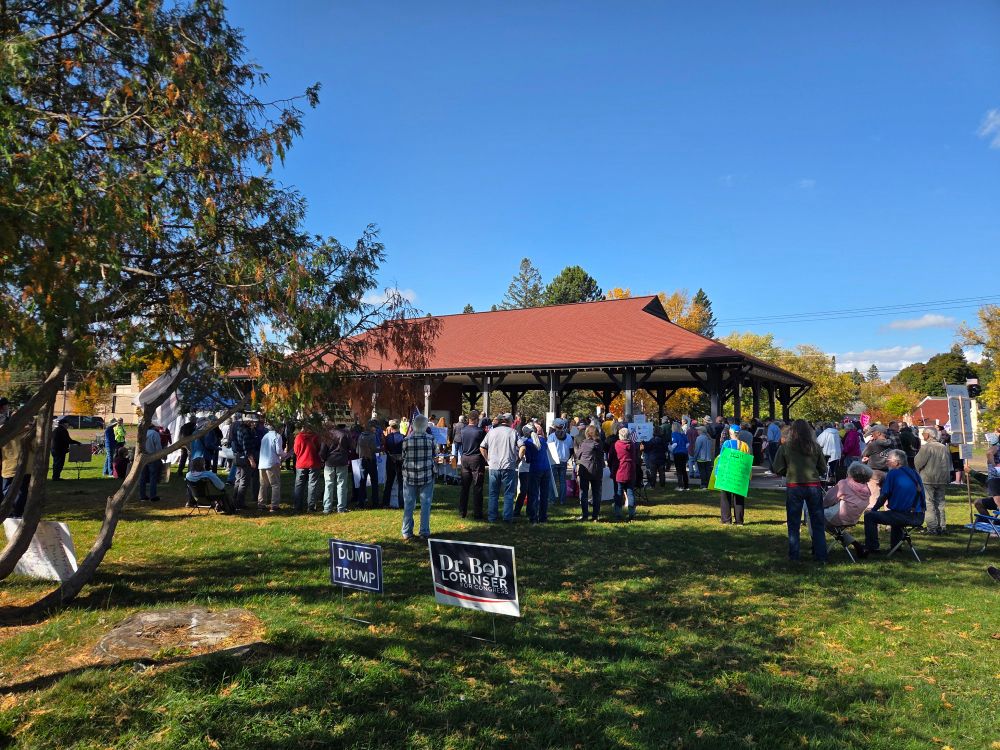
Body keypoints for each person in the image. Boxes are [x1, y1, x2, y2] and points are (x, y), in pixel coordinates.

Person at [772, 419, 828, 561]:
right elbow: (823, 468)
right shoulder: (815, 447)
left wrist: (788, 472)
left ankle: (794, 555)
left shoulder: (786, 447)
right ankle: (821, 555)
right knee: (817, 521)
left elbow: (777, 467)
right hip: (813, 485)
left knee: (793, 521)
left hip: (794, 485)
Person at [864, 449, 926, 554]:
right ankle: (896, 548)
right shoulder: (914, 473)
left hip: (905, 515)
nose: (886, 462)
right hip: (919, 516)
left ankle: (873, 547)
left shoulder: (893, 473)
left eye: (888, 460)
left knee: (869, 516)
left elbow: (884, 495)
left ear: (896, 462)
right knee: (894, 514)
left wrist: (873, 510)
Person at [822, 461, 873, 558]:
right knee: (833, 528)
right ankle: (857, 545)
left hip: (838, 516)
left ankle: (816, 545)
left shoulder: (845, 483)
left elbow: (829, 499)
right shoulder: (866, 489)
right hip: (852, 519)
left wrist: (821, 506)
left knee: (813, 516)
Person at [479, 413, 519, 523]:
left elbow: (482, 447)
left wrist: (488, 460)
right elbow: (522, 447)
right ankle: (507, 518)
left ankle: (492, 517)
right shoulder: (513, 432)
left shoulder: (491, 432)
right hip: (508, 466)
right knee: (509, 494)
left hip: (494, 466)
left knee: (493, 494)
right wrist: (518, 459)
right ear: (510, 421)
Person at [401, 414, 435, 542]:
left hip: (409, 475)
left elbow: (403, 456)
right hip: (426, 475)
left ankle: (406, 531)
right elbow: (434, 454)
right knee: (426, 504)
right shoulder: (431, 439)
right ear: (426, 426)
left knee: (409, 504)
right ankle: (424, 531)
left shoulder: (406, 440)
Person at [913, 427, 951, 535]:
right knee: (940, 503)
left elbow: (918, 462)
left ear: (928, 435)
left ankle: (932, 527)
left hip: (928, 478)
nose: (923, 436)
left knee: (929, 503)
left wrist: (917, 472)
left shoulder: (927, 447)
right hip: (942, 478)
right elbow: (949, 463)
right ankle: (941, 526)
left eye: (924, 434)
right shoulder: (943, 447)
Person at [518, 426, 551, 523]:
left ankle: (533, 518)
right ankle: (543, 517)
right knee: (544, 495)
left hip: (535, 469)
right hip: (546, 468)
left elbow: (528, 459)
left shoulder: (527, 442)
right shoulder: (542, 440)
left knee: (533, 494)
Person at [1, 421, 34, 517]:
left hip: (8, 466)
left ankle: (7, 512)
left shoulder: (5, 433)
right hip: (26, 466)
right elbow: (35, 446)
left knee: (7, 490)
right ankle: (17, 513)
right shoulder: (30, 433)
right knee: (22, 491)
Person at [321, 422, 353, 514]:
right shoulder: (345, 434)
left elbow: (323, 450)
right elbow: (351, 447)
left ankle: (327, 508)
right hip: (341, 461)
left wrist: (323, 459)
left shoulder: (327, 435)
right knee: (342, 484)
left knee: (328, 485)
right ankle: (341, 507)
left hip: (330, 461)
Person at [231, 417, 261, 510]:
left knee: (238, 480)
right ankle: (240, 503)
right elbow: (247, 448)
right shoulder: (246, 431)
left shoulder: (238, 428)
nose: (254, 423)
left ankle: (234, 500)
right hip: (245, 458)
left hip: (238, 456)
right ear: (248, 421)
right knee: (244, 481)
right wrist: (251, 460)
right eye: (252, 421)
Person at [576, 425, 605, 521]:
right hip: (597, 470)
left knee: (583, 493)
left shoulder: (584, 444)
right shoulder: (600, 444)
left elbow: (578, 455)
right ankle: (595, 516)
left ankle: (585, 515)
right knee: (596, 494)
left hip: (585, 470)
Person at [292, 424, 323, 513]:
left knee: (299, 485)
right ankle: (311, 507)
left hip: (301, 463)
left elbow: (296, 451)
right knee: (312, 485)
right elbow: (319, 449)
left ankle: (297, 507)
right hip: (314, 463)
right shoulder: (316, 437)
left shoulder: (299, 437)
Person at [257, 422, 284, 512]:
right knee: (275, 484)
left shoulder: (265, 436)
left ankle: (261, 504)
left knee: (263, 485)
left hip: (262, 463)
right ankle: (274, 505)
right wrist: (286, 454)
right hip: (272, 463)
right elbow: (279, 451)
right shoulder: (277, 436)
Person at [547, 418, 574, 505]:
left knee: (553, 481)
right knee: (562, 481)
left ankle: (552, 500)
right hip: (563, 460)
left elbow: (549, 449)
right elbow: (571, 449)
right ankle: (562, 500)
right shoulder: (569, 436)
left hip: (554, 460)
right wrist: (567, 458)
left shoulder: (551, 437)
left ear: (555, 426)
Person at [613, 427, 639, 521]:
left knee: (618, 493)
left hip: (620, 471)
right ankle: (631, 513)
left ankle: (618, 513)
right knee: (630, 492)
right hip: (630, 470)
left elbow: (611, 457)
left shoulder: (616, 445)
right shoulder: (632, 445)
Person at [973, 432, 1000, 517]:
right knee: (978, 502)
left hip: (995, 479)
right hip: (995, 479)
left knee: (998, 501)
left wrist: (994, 465)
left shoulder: (997, 447)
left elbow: (989, 453)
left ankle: (994, 526)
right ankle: (992, 523)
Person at [356, 420, 381, 508]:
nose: (375, 429)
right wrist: (380, 449)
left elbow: (357, 449)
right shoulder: (372, 436)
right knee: (374, 481)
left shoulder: (360, 436)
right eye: (374, 427)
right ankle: (375, 502)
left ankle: (361, 502)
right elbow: (374, 449)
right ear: (371, 427)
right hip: (371, 460)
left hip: (362, 460)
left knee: (362, 481)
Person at [382, 419, 405, 508]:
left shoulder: (387, 438)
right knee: (401, 482)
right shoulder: (403, 437)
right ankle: (401, 503)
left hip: (391, 461)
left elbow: (385, 449)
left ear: (390, 427)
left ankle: (385, 503)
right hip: (400, 461)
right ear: (398, 426)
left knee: (389, 483)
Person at [138, 423, 163, 502]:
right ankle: (153, 495)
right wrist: (160, 455)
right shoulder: (155, 434)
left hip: (143, 457)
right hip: (153, 457)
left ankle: (142, 496)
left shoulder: (142, 434)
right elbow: (158, 447)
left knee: (143, 477)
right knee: (153, 477)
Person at [669, 422, 689, 491]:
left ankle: (680, 486)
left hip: (677, 453)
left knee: (679, 470)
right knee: (684, 470)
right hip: (684, 453)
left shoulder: (674, 434)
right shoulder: (683, 434)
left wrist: (670, 449)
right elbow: (688, 444)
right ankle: (686, 486)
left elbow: (674, 444)